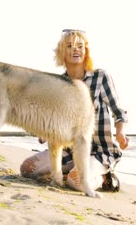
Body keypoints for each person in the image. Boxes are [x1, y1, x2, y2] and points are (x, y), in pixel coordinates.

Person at [20, 29, 129, 192]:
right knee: (27, 169)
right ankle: (66, 172)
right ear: (62, 53)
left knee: (76, 182)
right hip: (69, 151)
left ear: (86, 51)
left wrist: (120, 132)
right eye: (69, 46)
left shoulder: (100, 77)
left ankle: (105, 177)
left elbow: (119, 111)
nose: (75, 49)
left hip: (100, 150)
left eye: (79, 46)